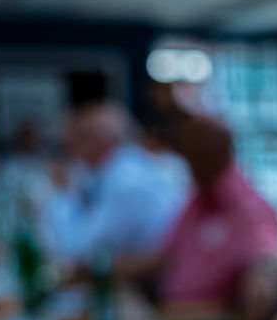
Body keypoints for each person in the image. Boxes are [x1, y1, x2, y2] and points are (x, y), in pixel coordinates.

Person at [142, 114, 277, 318]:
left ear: (219, 151)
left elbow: (270, 254)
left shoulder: (246, 205)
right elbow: (162, 257)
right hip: (172, 318)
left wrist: (265, 278)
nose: (187, 157)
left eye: (193, 150)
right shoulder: (197, 201)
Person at [42, 101, 188, 270]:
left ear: (101, 140)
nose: (71, 152)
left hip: (151, 287)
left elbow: (80, 251)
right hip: (130, 276)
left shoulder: (128, 183)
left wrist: (63, 193)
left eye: (76, 141)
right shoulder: (109, 173)